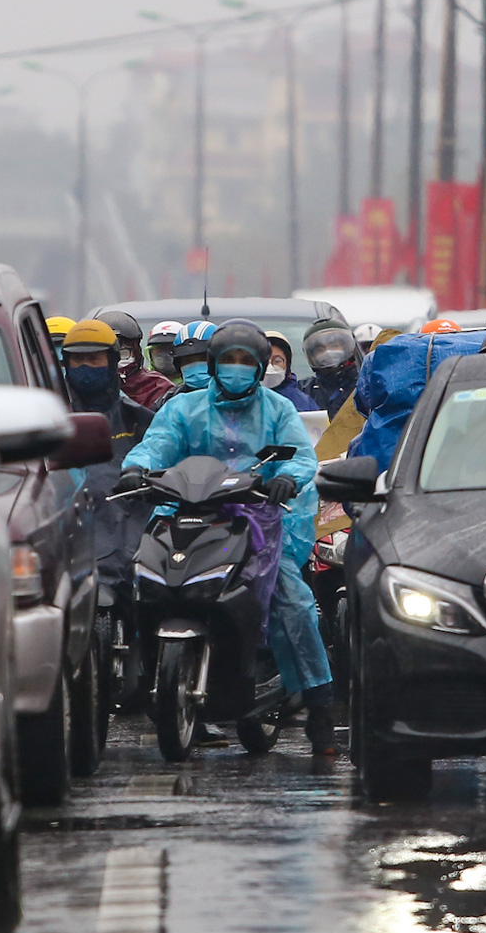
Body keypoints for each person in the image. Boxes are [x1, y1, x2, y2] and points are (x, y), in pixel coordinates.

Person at [119, 320, 337, 754]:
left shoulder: (278, 410)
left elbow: (299, 457)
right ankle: (142, 677)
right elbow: (158, 443)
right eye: (228, 360)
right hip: (187, 512)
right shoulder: (183, 408)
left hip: (257, 521)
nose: (236, 368)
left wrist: (286, 480)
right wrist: (136, 465)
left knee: (292, 602)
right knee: (144, 581)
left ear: (259, 368)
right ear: (213, 364)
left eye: (245, 361)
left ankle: (320, 708)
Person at [60, 319, 154, 609]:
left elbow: (161, 457)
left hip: (128, 535)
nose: (86, 367)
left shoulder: (137, 418)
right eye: (78, 360)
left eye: (94, 359)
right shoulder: (51, 417)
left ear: (112, 362)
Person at [97, 310, 173, 410]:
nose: (115, 361)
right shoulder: (87, 386)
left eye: (123, 353)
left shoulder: (158, 388)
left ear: (136, 352)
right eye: (107, 356)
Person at [301, 317, 363, 417]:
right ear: (312, 355)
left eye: (335, 346)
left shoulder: (364, 385)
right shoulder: (304, 390)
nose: (328, 352)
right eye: (320, 349)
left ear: (347, 347)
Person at [159, 319, 220, 406]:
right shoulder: (169, 402)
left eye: (203, 358)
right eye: (188, 360)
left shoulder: (237, 398)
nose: (196, 366)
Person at [263, 333, 319, 411]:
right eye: (264, 361)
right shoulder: (244, 401)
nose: (270, 367)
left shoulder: (303, 404)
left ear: (287, 364)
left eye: (277, 361)